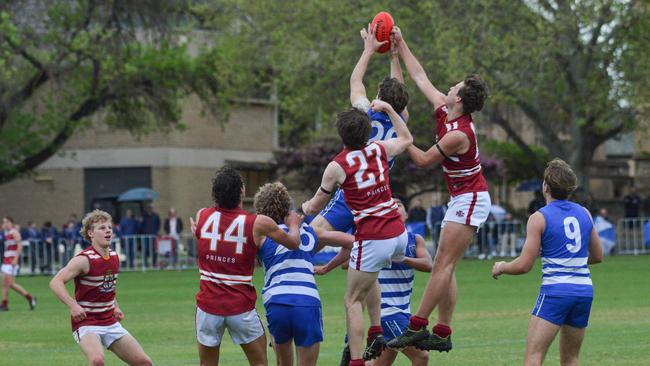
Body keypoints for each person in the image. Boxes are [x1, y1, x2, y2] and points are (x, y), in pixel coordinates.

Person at [308, 23, 410, 364]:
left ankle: (346, 249)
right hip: (378, 198)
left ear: (378, 96)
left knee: (316, 232)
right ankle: (376, 328)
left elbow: (356, 82)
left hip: (353, 195)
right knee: (370, 272)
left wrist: (369, 50)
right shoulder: (398, 123)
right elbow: (399, 91)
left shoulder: (365, 113)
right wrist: (394, 54)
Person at [386, 26, 491, 352]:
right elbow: (419, 77)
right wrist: (400, 46)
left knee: (441, 264)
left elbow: (421, 158)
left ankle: (417, 326)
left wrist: (396, 126)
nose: (448, 87)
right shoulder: (447, 109)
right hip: (463, 198)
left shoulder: (459, 133)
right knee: (447, 264)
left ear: (458, 98)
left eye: (454, 86)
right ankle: (443, 332)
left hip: (472, 198)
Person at [491, 159, 603, 366]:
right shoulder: (585, 213)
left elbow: (524, 265)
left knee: (533, 356)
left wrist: (502, 266)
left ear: (546, 187)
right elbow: (597, 256)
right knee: (571, 359)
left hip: (556, 292)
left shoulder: (539, 217)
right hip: (584, 291)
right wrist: (571, 261)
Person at [190, 167, 303, 366]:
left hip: (208, 307)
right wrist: (294, 224)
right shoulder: (257, 223)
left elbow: (208, 239)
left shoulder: (202, 216)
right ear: (242, 191)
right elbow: (293, 243)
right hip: (240, 307)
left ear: (215, 194)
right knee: (260, 363)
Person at [317, 198, 432, 366]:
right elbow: (346, 264)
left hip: (403, 311)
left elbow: (428, 265)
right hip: (386, 312)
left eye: (399, 205)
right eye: (391, 204)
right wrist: (376, 256)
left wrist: (400, 258)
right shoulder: (377, 240)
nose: (395, 207)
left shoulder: (415, 240)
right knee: (421, 356)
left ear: (406, 214)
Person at [254, 182, 354, 366]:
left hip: (276, 302)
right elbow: (353, 243)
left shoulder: (260, 234)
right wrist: (327, 267)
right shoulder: (310, 231)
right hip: (307, 302)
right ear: (287, 205)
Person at [49, 210, 152, 366]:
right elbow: (55, 282)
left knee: (144, 363)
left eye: (109, 227)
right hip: (86, 322)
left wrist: (115, 306)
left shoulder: (114, 257)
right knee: (97, 361)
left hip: (109, 321)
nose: (108, 230)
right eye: (102, 228)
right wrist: (73, 306)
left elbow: (107, 287)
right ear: (90, 233)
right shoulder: (84, 260)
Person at [1, 216, 36, 311]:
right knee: (7, 284)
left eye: (7, 222)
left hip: (11, 261)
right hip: (6, 260)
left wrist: (16, 259)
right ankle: (5, 304)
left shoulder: (14, 232)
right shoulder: (6, 233)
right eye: (4, 222)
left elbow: (19, 246)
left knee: (9, 283)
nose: (5, 224)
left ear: (11, 222)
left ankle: (6, 304)